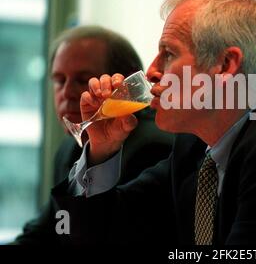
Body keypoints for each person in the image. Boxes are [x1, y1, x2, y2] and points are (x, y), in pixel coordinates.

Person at [51, 0, 256, 245]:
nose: (151, 71)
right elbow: (105, 234)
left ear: (224, 65)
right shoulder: (195, 144)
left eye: (169, 54)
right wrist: (102, 150)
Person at [14, 26, 174, 244]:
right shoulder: (69, 148)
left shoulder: (153, 145)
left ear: (123, 83)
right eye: (59, 80)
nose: (67, 92)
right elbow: (47, 231)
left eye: (82, 80)